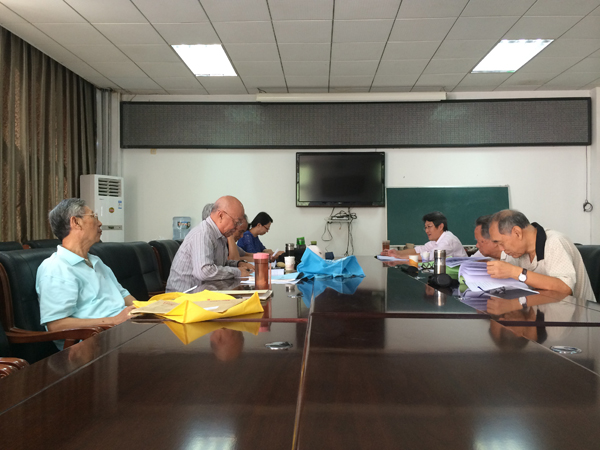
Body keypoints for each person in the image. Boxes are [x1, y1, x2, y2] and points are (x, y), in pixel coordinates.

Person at [36, 198, 136, 340]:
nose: (100, 223)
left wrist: (148, 310)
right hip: (94, 341)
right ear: (76, 222)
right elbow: (56, 325)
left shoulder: (96, 261)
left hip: (123, 330)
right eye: (94, 216)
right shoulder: (56, 267)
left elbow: (123, 295)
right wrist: (114, 320)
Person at [486, 209, 596, 301]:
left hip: (580, 317)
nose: (501, 249)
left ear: (517, 232)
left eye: (501, 243)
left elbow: (565, 288)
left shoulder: (555, 242)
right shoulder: (516, 252)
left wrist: (514, 272)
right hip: (541, 312)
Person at [167, 196, 254, 291]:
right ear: (221, 216)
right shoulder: (203, 234)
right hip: (184, 296)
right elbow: (204, 271)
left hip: (202, 293)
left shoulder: (220, 236)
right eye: (236, 222)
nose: (237, 227)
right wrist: (238, 272)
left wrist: (238, 264)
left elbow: (220, 264)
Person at [381, 211, 467, 259]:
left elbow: (430, 256)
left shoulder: (448, 240)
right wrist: (397, 252)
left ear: (440, 226)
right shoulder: (437, 239)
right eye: (425, 227)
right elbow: (420, 250)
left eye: (429, 227)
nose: (426, 231)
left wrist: (399, 256)